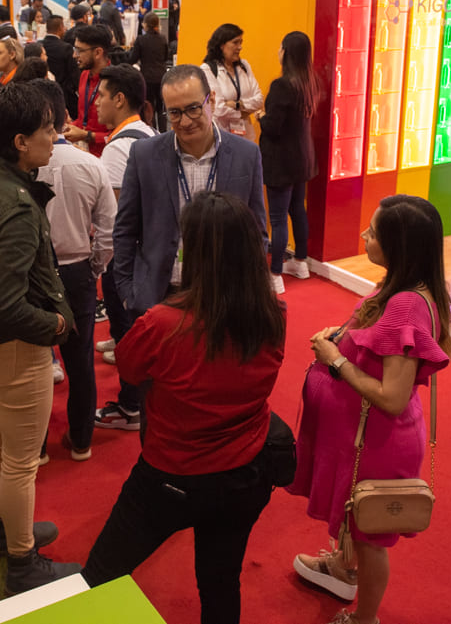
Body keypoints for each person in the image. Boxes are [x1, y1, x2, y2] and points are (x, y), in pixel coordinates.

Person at [83, 191, 285, 624]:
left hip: (170, 478)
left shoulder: (163, 323)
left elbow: (132, 371)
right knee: (220, 583)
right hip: (244, 475)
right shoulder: (272, 315)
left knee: (100, 576)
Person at [288, 194, 451, 624]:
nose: (364, 236)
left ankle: (366, 618)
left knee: (370, 536)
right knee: (356, 521)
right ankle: (343, 569)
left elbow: (393, 396)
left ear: (398, 246)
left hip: (379, 442)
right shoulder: (400, 287)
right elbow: (375, 343)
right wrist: (341, 338)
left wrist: (336, 361)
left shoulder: (406, 305)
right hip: (366, 437)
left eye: (374, 233)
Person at [0, 81, 81, 595]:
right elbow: (7, 305)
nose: (56, 135)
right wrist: (56, 326)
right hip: (20, 344)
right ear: (21, 140)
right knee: (22, 460)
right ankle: (23, 563)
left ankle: (2, 531)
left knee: (0, 443)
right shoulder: (19, 205)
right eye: (48, 127)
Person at [98, 64, 268, 430]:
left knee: (212, 401)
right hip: (160, 299)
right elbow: (125, 229)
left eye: (193, 108)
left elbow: (257, 232)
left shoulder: (245, 155)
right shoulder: (144, 155)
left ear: (211, 101)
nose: (185, 120)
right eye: (174, 112)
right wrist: (130, 292)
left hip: (222, 300)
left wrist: (250, 290)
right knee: (156, 402)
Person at [35, 79, 116, 462]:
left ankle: (36, 447)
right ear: (66, 118)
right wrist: (94, 267)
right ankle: (81, 440)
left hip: (35, 274)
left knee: (34, 362)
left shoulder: (22, 167)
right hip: (78, 270)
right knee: (80, 361)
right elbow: (109, 229)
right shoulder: (91, 165)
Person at [91, 65, 156, 364]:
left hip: (125, 256)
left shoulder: (118, 149)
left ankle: (129, 400)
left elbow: (117, 216)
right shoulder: (148, 132)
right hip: (148, 250)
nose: (95, 103)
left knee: (127, 323)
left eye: (100, 95)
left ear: (118, 99)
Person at [258, 31, 320, 295]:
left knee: (278, 217)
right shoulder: (310, 82)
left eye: (281, 47)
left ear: (286, 53)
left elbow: (273, 127)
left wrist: (261, 115)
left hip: (281, 161)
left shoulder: (282, 85)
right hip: (303, 158)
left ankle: (275, 275)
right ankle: (301, 262)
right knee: (298, 210)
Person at [202, 24, 263, 141]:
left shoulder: (244, 66)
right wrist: (242, 114)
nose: (240, 47)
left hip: (247, 137)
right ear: (221, 45)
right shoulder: (208, 69)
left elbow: (259, 100)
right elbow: (218, 109)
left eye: (241, 42)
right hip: (222, 136)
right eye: (235, 43)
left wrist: (237, 105)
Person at [61, 25, 113, 156]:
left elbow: (120, 134)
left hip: (108, 156)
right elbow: (82, 118)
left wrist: (86, 135)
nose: (74, 55)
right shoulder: (84, 75)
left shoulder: (116, 82)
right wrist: (69, 125)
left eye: (79, 50)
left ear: (98, 53)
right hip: (83, 153)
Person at [127, 12, 169, 131]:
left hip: (147, 78)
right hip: (161, 76)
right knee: (161, 108)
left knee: (149, 107)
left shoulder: (141, 40)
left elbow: (132, 59)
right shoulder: (163, 39)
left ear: (145, 24)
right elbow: (166, 57)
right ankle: (163, 132)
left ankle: (152, 131)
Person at [42, 16, 79, 117]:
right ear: (60, 28)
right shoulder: (66, 48)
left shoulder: (39, 46)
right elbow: (74, 74)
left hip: (42, 94)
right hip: (64, 96)